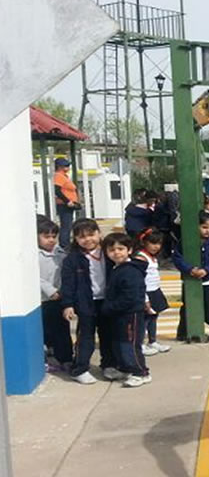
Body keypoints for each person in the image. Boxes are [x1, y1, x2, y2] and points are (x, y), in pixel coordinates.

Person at [60, 218, 114, 384]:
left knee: (108, 335)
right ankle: (80, 368)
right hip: (85, 303)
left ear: (99, 233)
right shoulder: (73, 259)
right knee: (86, 338)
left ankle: (109, 365)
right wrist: (68, 304)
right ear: (75, 239)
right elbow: (68, 284)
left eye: (91, 234)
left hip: (106, 302)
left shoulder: (109, 252)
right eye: (82, 237)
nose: (87, 239)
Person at [101, 233, 151, 388]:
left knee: (130, 344)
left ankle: (140, 372)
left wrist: (109, 307)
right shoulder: (117, 268)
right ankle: (125, 368)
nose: (116, 252)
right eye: (112, 250)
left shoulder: (130, 271)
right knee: (119, 342)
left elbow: (131, 296)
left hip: (131, 314)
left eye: (121, 249)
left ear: (129, 250)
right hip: (119, 314)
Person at [173, 212, 209, 340]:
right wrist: (189, 269)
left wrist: (206, 270)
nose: (208, 231)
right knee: (187, 306)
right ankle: (183, 331)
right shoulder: (185, 241)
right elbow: (177, 257)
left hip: (208, 280)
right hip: (190, 279)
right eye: (204, 227)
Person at [38, 217, 72, 371]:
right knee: (45, 331)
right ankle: (47, 358)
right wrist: (50, 291)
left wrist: (63, 291)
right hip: (43, 299)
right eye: (46, 237)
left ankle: (66, 358)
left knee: (62, 330)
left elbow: (66, 274)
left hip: (60, 298)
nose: (51, 240)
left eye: (53, 236)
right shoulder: (34, 256)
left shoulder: (61, 252)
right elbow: (35, 277)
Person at [134, 231, 171, 356]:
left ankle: (152, 341)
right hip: (145, 292)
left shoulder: (152, 257)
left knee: (153, 317)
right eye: (153, 243)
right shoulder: (141, 257)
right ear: (144, 242)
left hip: (155, 290)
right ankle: (140, 344)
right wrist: (145, 299)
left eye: (159, 243)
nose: (156, 246)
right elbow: (139, 279)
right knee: (143, 320)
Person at [52, 157, 81, 249]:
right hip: (64, 204)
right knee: (66, 225)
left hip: (69, 203)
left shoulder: (65, 176)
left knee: (68, 224)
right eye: (66, 165)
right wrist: (67, 201)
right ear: (59, 167)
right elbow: (57, 190)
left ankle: (66, 243)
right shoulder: (58, 176)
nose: (68, 167)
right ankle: (64, 245)